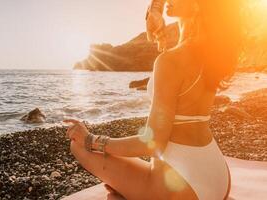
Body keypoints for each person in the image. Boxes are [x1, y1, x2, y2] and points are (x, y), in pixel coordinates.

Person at [63, 0, 242, 199]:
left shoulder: (172, 60)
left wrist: (92, 139)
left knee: (79, 146)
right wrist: (155, 9)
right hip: (218, 177)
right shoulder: (210, 53)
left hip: (187, 188)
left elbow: (152, 144)